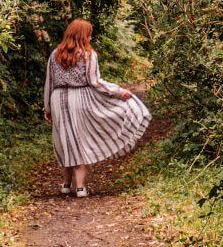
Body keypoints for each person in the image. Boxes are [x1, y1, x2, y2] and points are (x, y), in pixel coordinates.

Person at [43, 18, 151, 197]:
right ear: (84, 35)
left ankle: (66, 184)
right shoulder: (87, 54)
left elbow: (49, 83)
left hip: (58, 99)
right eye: (89, 34)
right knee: (80, 141)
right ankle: (80, 187)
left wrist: (47, 108)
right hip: (79, 99)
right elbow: (95, 82)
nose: (91, 37)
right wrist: (117, 91)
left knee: (64, 141)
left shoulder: (55, 54)